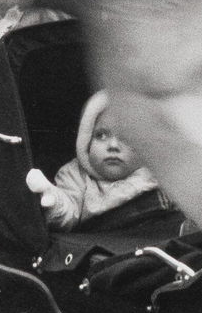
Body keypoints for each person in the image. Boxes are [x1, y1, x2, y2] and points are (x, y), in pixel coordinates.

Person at [27, 90, 161, 232]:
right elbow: (69, 209)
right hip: (102, 246)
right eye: (101, 135)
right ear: (86, 141)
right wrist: (54, 202)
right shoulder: (75, 176)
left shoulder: (158, 175)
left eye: (126, 137)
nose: (113, 146)